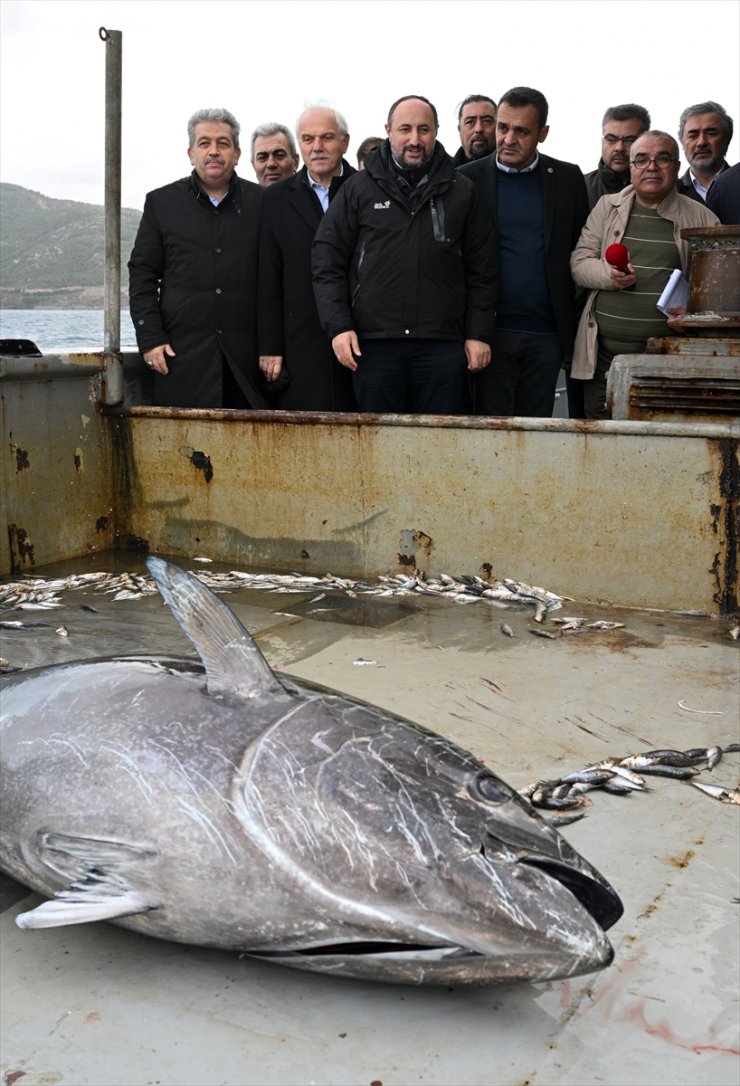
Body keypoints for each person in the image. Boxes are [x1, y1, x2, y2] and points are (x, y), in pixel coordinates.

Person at [311, 95, 496, 415]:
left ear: (437, 131)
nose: (414, 139)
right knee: (379, 448)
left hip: (442, 347)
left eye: (424, 130)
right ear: (388, 131)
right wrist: (339, 327)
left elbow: (483, 268)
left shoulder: (462, 190)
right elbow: (326, 259)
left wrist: (478, 334)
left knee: (440, 448)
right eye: (405, 129)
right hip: (374, 347)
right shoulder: (358, 189)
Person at [458, 86, 589, 417]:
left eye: (521, 131)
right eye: (503, 128)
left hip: (547, 335)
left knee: (537, 435)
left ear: (542, 133)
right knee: (490, 435)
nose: (508, 139)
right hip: (490, 336)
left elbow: (579, 249)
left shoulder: (568, 179)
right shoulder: (465, 180)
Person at [571, 131, 718, 419]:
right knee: (601, 441)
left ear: (676, 167)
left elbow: (716, 293)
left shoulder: (703, 218)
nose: (651, 166)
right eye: (641, 160)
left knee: (657, 441)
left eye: (662, 159)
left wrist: (693, 311)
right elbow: (579, 263)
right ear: (631, 167)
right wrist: (608, 275)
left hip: (668, 363)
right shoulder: (607, 206)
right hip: (603, 361)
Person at [129, 108, 265, 408]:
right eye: (204, 143)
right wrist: (150, 339)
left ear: (238, 153)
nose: (213, 151)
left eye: (222, 143)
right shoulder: (161, 203)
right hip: (182, 362)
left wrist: (273, 348)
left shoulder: (263, 203)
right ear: (191, 153)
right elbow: (142, 274)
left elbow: (277, 279)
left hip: (249, 364)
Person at [257, 103, 357, 410]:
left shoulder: (366, 189)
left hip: (359, 336)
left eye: (326, 137)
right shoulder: (276, 199)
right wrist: (270, 347)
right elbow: (268, 276)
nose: (317, 147)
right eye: (308, 139)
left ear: (345, 141)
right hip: (300, 339)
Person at [584, 104, 651, 210]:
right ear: (602, 142)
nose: (619, 148)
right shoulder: (579, 187)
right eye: (611, 139)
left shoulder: (666, 189)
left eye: (629, 140)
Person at [677, 101, 734, 204]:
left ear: (727, 139)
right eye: (693, 135)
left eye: (711, 133)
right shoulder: (668, 195)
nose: (701, 142)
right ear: (682, 143)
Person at [451, 95, 498, 166]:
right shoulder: (444, 174)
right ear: (459, 130)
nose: (478, 129)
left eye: (486, 121)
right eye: (470, 122)